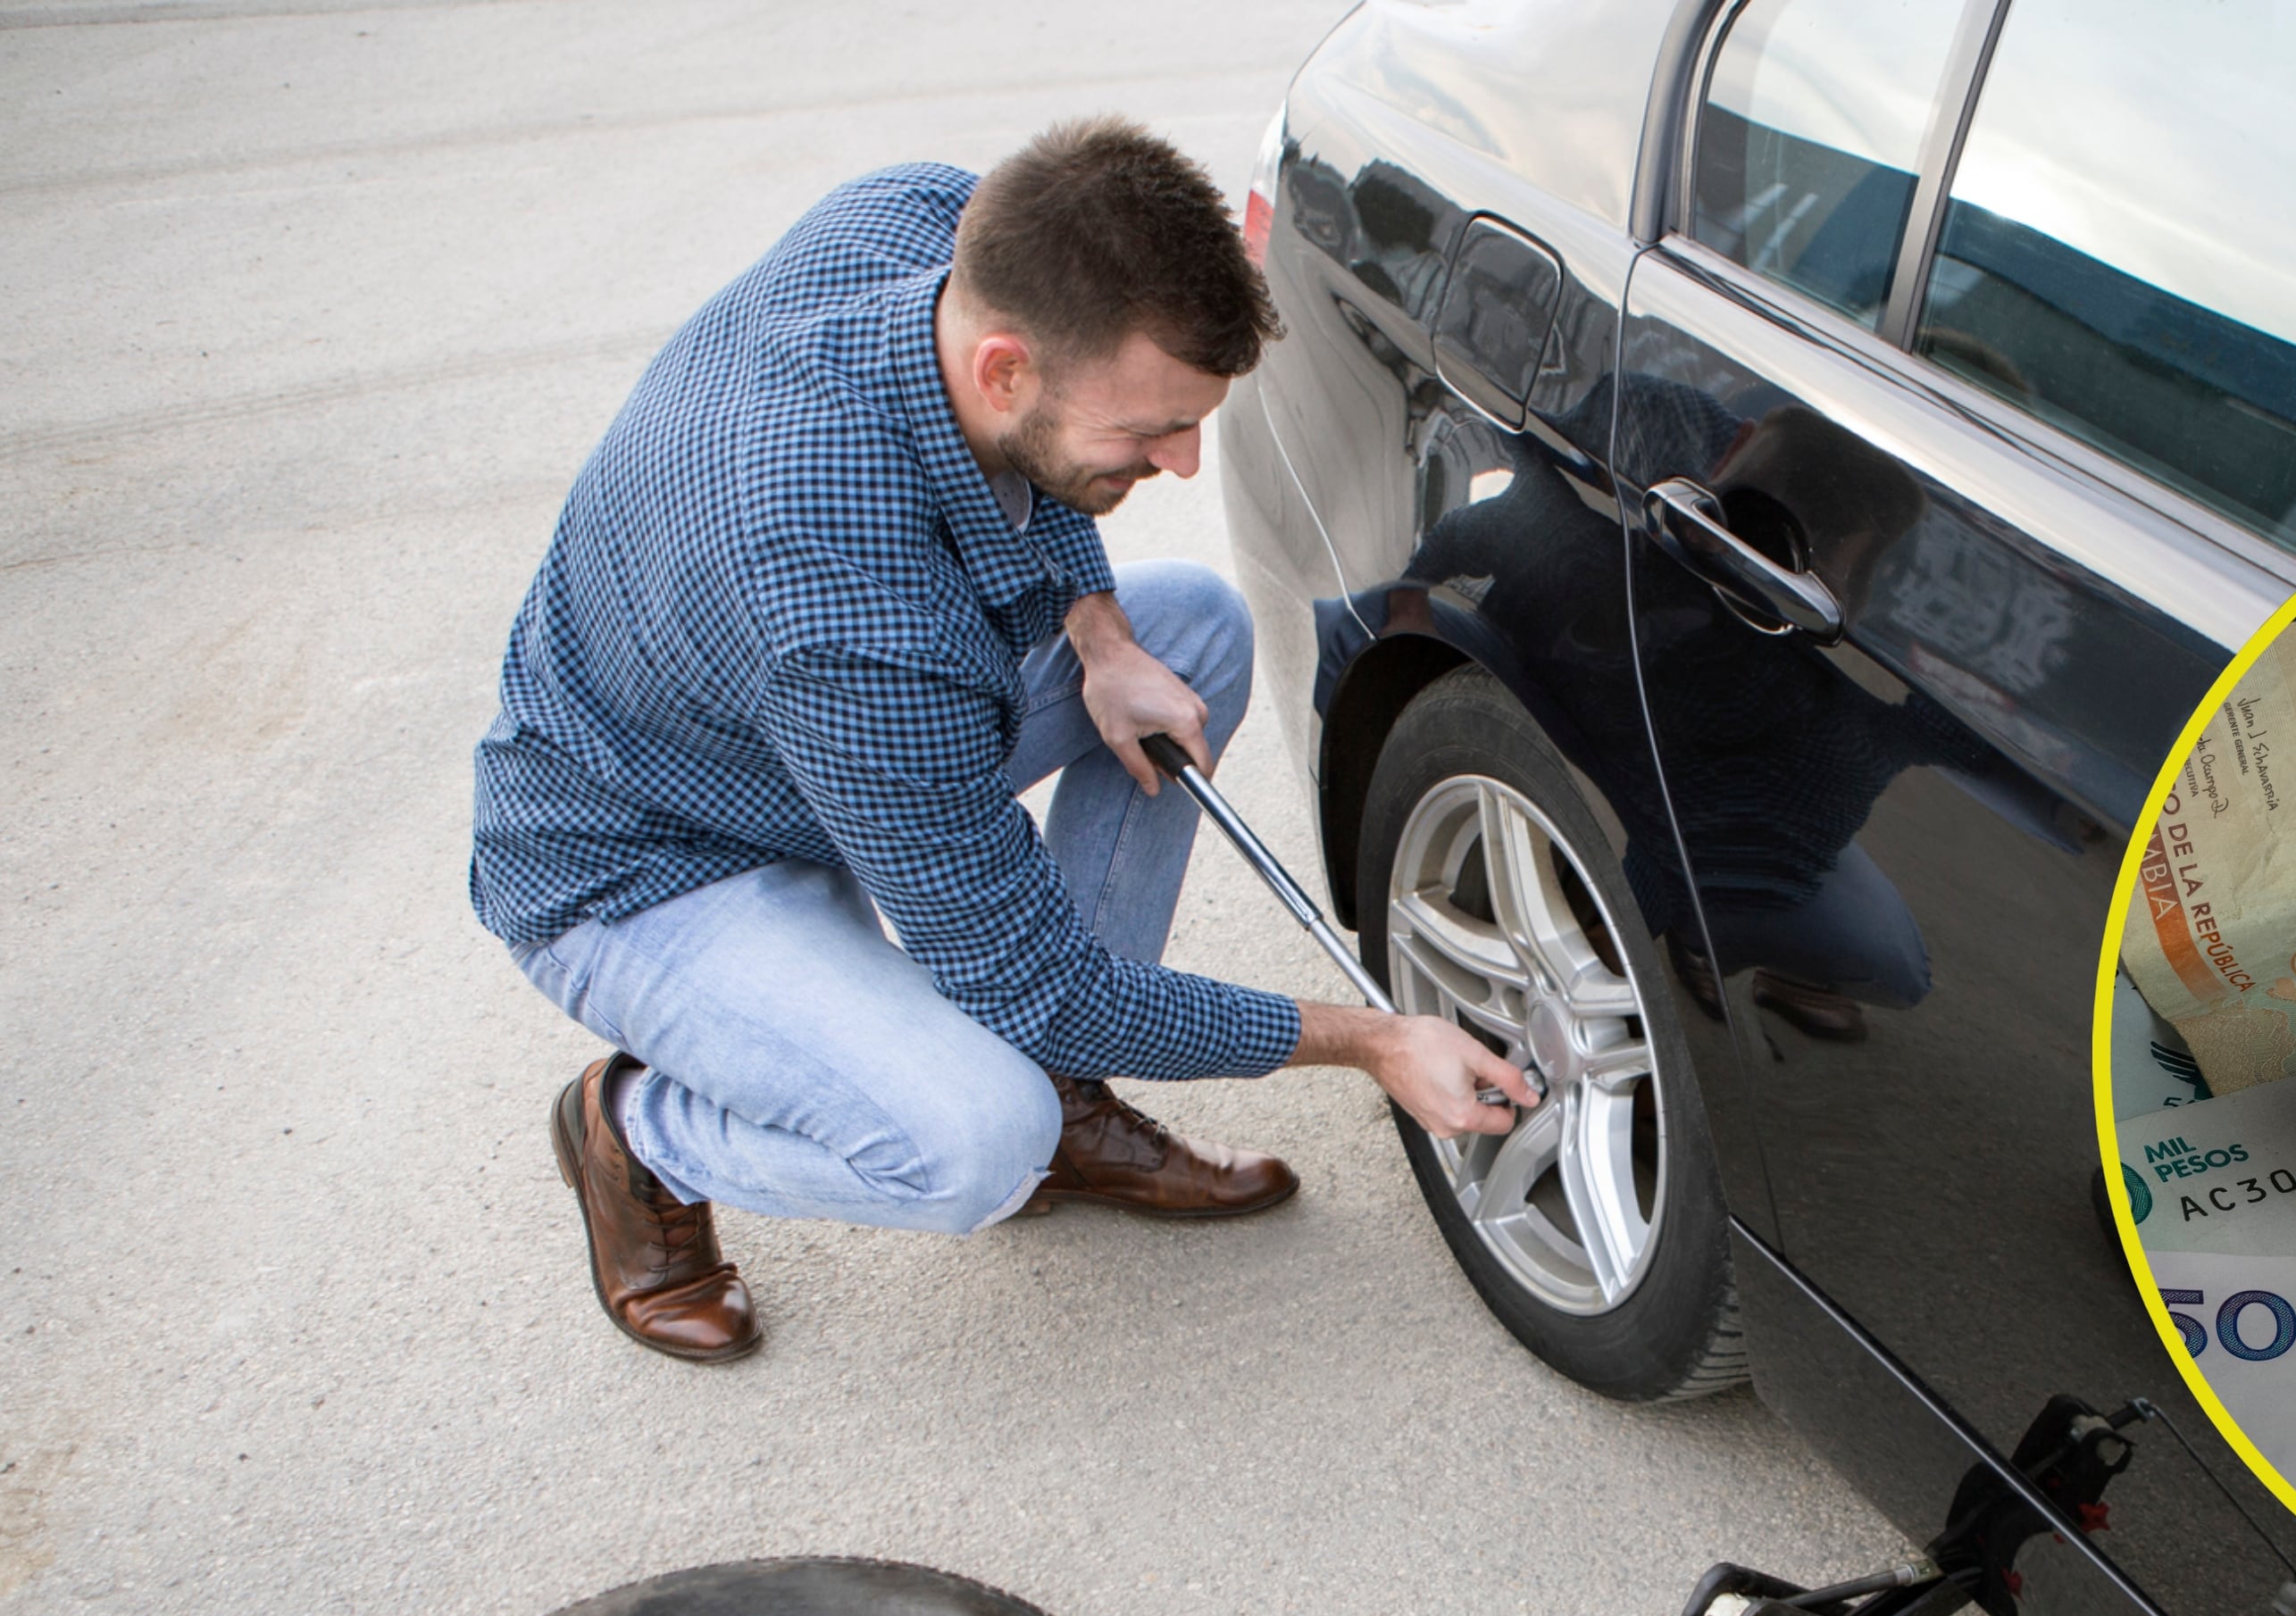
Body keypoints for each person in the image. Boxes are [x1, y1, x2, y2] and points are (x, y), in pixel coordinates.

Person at [472, 120, 1529, 1362]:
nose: (1183, 464)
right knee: (977, 1137)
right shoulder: (848, 608)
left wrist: (1099, 632)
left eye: (1191, 424)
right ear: (1006, 369)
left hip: (797, 734)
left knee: (1184, 627)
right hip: (648, 858)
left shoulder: (925, 219)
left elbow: (1038, 473)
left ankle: (1070, 1105)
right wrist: (1377, 1039)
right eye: (1146, 436)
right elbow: (1035, 981)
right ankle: (636, 1134)